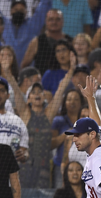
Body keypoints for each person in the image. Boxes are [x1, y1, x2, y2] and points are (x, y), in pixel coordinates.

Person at [11, 52, 73, 189]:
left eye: (40, 92)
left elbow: (61, 89)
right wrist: (6, 70)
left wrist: (72, 69)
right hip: (25, 167)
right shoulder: (25, 113)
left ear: (44, 97)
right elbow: (15, 89)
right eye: (33, 92)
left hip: (44, 168)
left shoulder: (48, 114)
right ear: (28, 99)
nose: (37, 94)